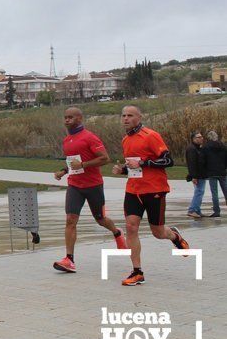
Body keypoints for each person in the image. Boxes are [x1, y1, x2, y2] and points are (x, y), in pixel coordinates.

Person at [111, 105, 190, 286]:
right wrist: (122, 170)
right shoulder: (125, 140)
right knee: (131, 227)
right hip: (133, 190)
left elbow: (168, 161)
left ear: (139, 117)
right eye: (123, 115)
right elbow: (134, 167)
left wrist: (143, 162)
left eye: (130, 115)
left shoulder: (150, 136)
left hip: (154, 189)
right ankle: (137, 272)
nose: (125, 119)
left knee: (158, 232)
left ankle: (174, 236)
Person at [52, 108, 127, 273]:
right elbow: (73, 162)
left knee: (100, 219)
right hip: (75, 185)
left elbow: (104, 158)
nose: (66, 120)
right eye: (65, 118)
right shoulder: (66, 140)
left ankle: (117, 232)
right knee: (70, 220)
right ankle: (69, 260)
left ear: (79, 118)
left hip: (93, 185)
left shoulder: (90, 137)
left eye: (70, 117)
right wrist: (63, 171)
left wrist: (84, 165)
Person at [201, 130, 226, 217]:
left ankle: (217, 211)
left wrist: (205, 170)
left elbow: (203, 160)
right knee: (226, 191)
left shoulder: (205, 147)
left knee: (214, 193)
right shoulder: (223, 146)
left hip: (211, 172)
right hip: (222, 172)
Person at [185, 131, 208, 218]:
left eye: (201, 137)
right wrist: (194, 176)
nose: (201, 138)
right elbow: (192, 163)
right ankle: (192, 210)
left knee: (199, 192)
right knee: (199, 192)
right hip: (197, 175)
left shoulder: (198, 148)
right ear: (194, 139)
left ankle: (197, 210)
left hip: (201, 174)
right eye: (199, 137)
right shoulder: (192, 149)